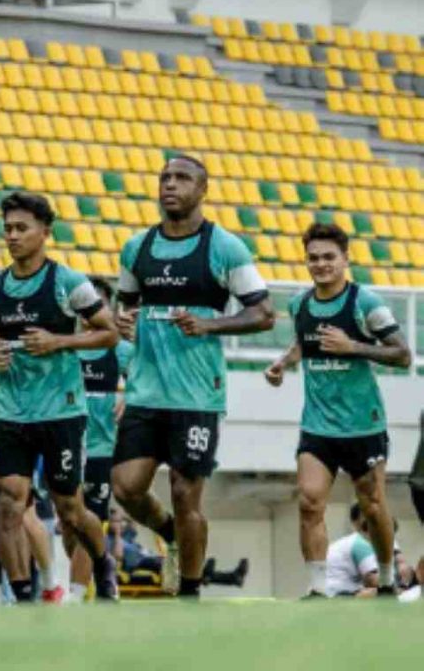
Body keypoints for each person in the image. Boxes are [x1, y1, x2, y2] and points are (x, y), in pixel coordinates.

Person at [112, 155, 275, 598]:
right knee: (125, 489)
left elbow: (264, 314)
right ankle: (168, 533)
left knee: (186, 493)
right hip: (146, 392)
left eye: (182, 178)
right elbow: (121, 309)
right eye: (164, 177)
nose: (170, 184)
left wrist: (210, 324)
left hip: (197, 396)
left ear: (203, 189)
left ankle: (189, 591)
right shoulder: (137, 248)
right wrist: (123, 326)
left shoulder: (226, 248)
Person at [0, 191, 121, 603]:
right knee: (8, 502)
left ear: (45, 232)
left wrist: (58, 341)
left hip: (61, 411)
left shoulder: (69, 284)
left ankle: (103, 563)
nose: (12, 236)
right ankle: (23, 598)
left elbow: (108, 332)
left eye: (22, 228)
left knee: (69, 509)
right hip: (12, 411)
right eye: (7, 229)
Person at [265, 222, 410, 598]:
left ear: (345, 259)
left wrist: (354, 347)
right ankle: (318, 589)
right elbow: (304, 343)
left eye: (329, 257)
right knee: (309, 501)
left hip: (363, 424)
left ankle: (389, 577)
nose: (321, 264)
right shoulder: (298, 304)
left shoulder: (366, 304)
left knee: (373, 505)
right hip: (317, 425)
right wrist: (283, 363)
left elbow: (402, 354)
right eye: (313, 258)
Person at [69, 276, 134, 602]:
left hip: (101, 450)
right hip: (64, 445)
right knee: (70, 523)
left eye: (98, 304)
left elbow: (149, 374)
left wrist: (131, 394)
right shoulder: (65, 347)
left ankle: (77, 592)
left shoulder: (120, 351)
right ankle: (101, 567)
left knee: (89, 518)